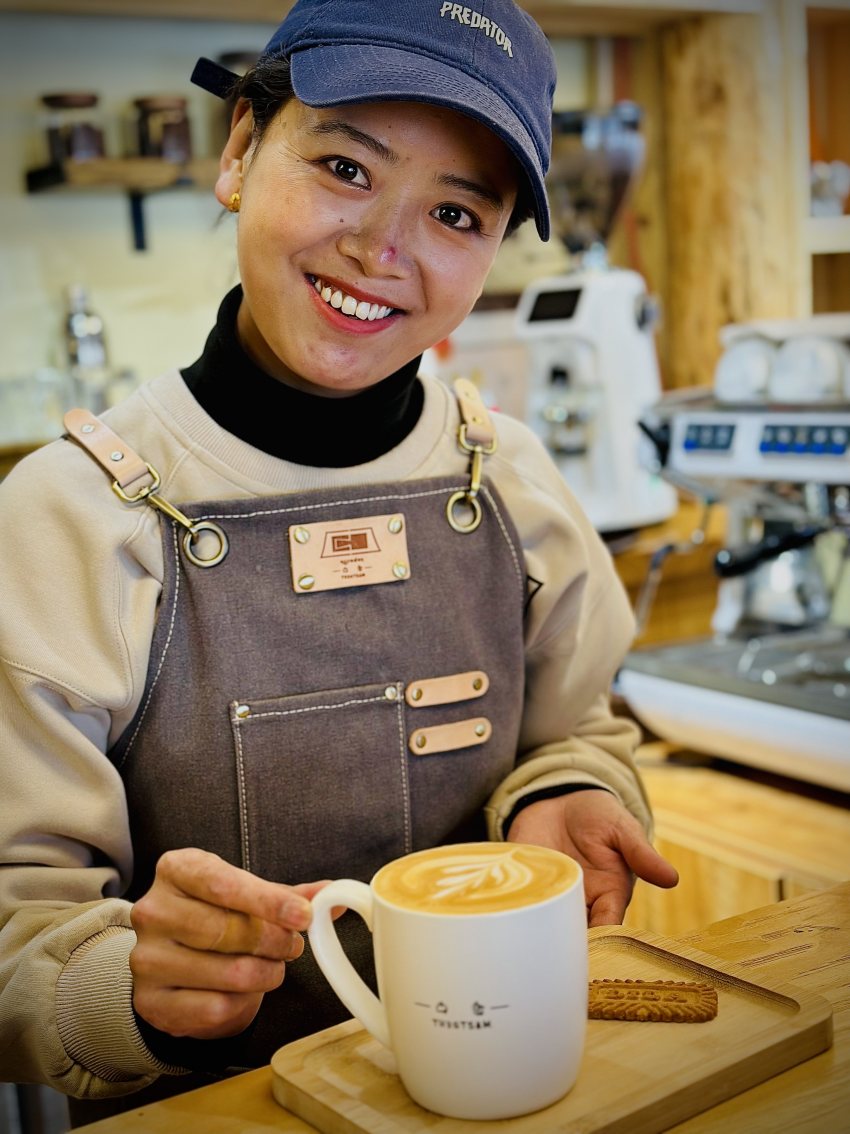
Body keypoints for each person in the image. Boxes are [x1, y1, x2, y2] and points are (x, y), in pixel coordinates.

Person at [0, 0, 677, 1122]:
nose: (382, 248)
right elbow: (16, 921)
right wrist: (122, 984)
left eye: (455, 212)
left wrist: (569, 790)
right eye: (346, 169)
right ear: (239, 149)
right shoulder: (69, 517)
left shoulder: (508, 480)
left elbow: (580, 729)